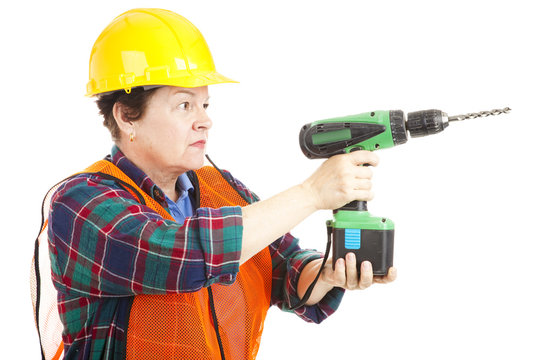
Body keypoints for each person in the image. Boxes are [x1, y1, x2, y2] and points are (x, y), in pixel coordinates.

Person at [36, 8, 396, 360]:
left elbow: (284, 269)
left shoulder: (222, 189)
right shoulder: (81, 203)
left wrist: (328, 273)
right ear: (127, 116)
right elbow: (183, 256)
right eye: (184, 106)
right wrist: (312, 193)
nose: (205, 121)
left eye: (205, 104)